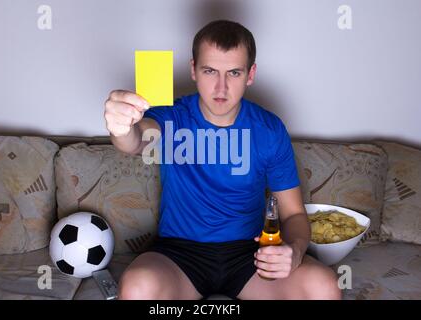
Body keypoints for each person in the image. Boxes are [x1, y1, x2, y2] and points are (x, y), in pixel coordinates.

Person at [104, 20, 341, 300]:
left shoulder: (269, 129)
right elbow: (136, 140)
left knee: (324, 286)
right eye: (209, 71)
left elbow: (293, 214)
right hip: (179, 254)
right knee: (137, 286)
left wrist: (296, 251)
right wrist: (121, 128)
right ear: (193, 69)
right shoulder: (171, 116)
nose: (221, 87)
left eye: (234, 73)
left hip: (250, 255)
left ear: (250, 74)